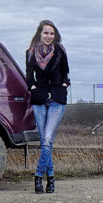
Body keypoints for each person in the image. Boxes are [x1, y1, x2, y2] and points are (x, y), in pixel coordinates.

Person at [26, 20, 70, 193]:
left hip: (57, 99)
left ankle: (38, 177)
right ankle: (50, 177)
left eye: (51, 33)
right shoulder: (31, 52)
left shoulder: (61, 51)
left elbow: (66, 73)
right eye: (46, 33)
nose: (48, 36)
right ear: (40, 34)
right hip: (39, 98)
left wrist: (64, 85)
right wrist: (34, 87)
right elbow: (29, 75)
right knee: (45, 141)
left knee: (48, 139)